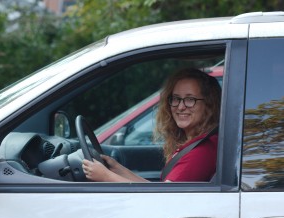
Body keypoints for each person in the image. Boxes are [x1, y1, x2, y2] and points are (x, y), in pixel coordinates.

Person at [82, 68, 221, 182]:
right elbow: (158, 191)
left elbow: (161, 199)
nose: (180, 106)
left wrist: (105, 176)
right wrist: (118, 169)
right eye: (176, 99)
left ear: (209, 104)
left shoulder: (201, 151)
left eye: (190, 99)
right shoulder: (196, 144)